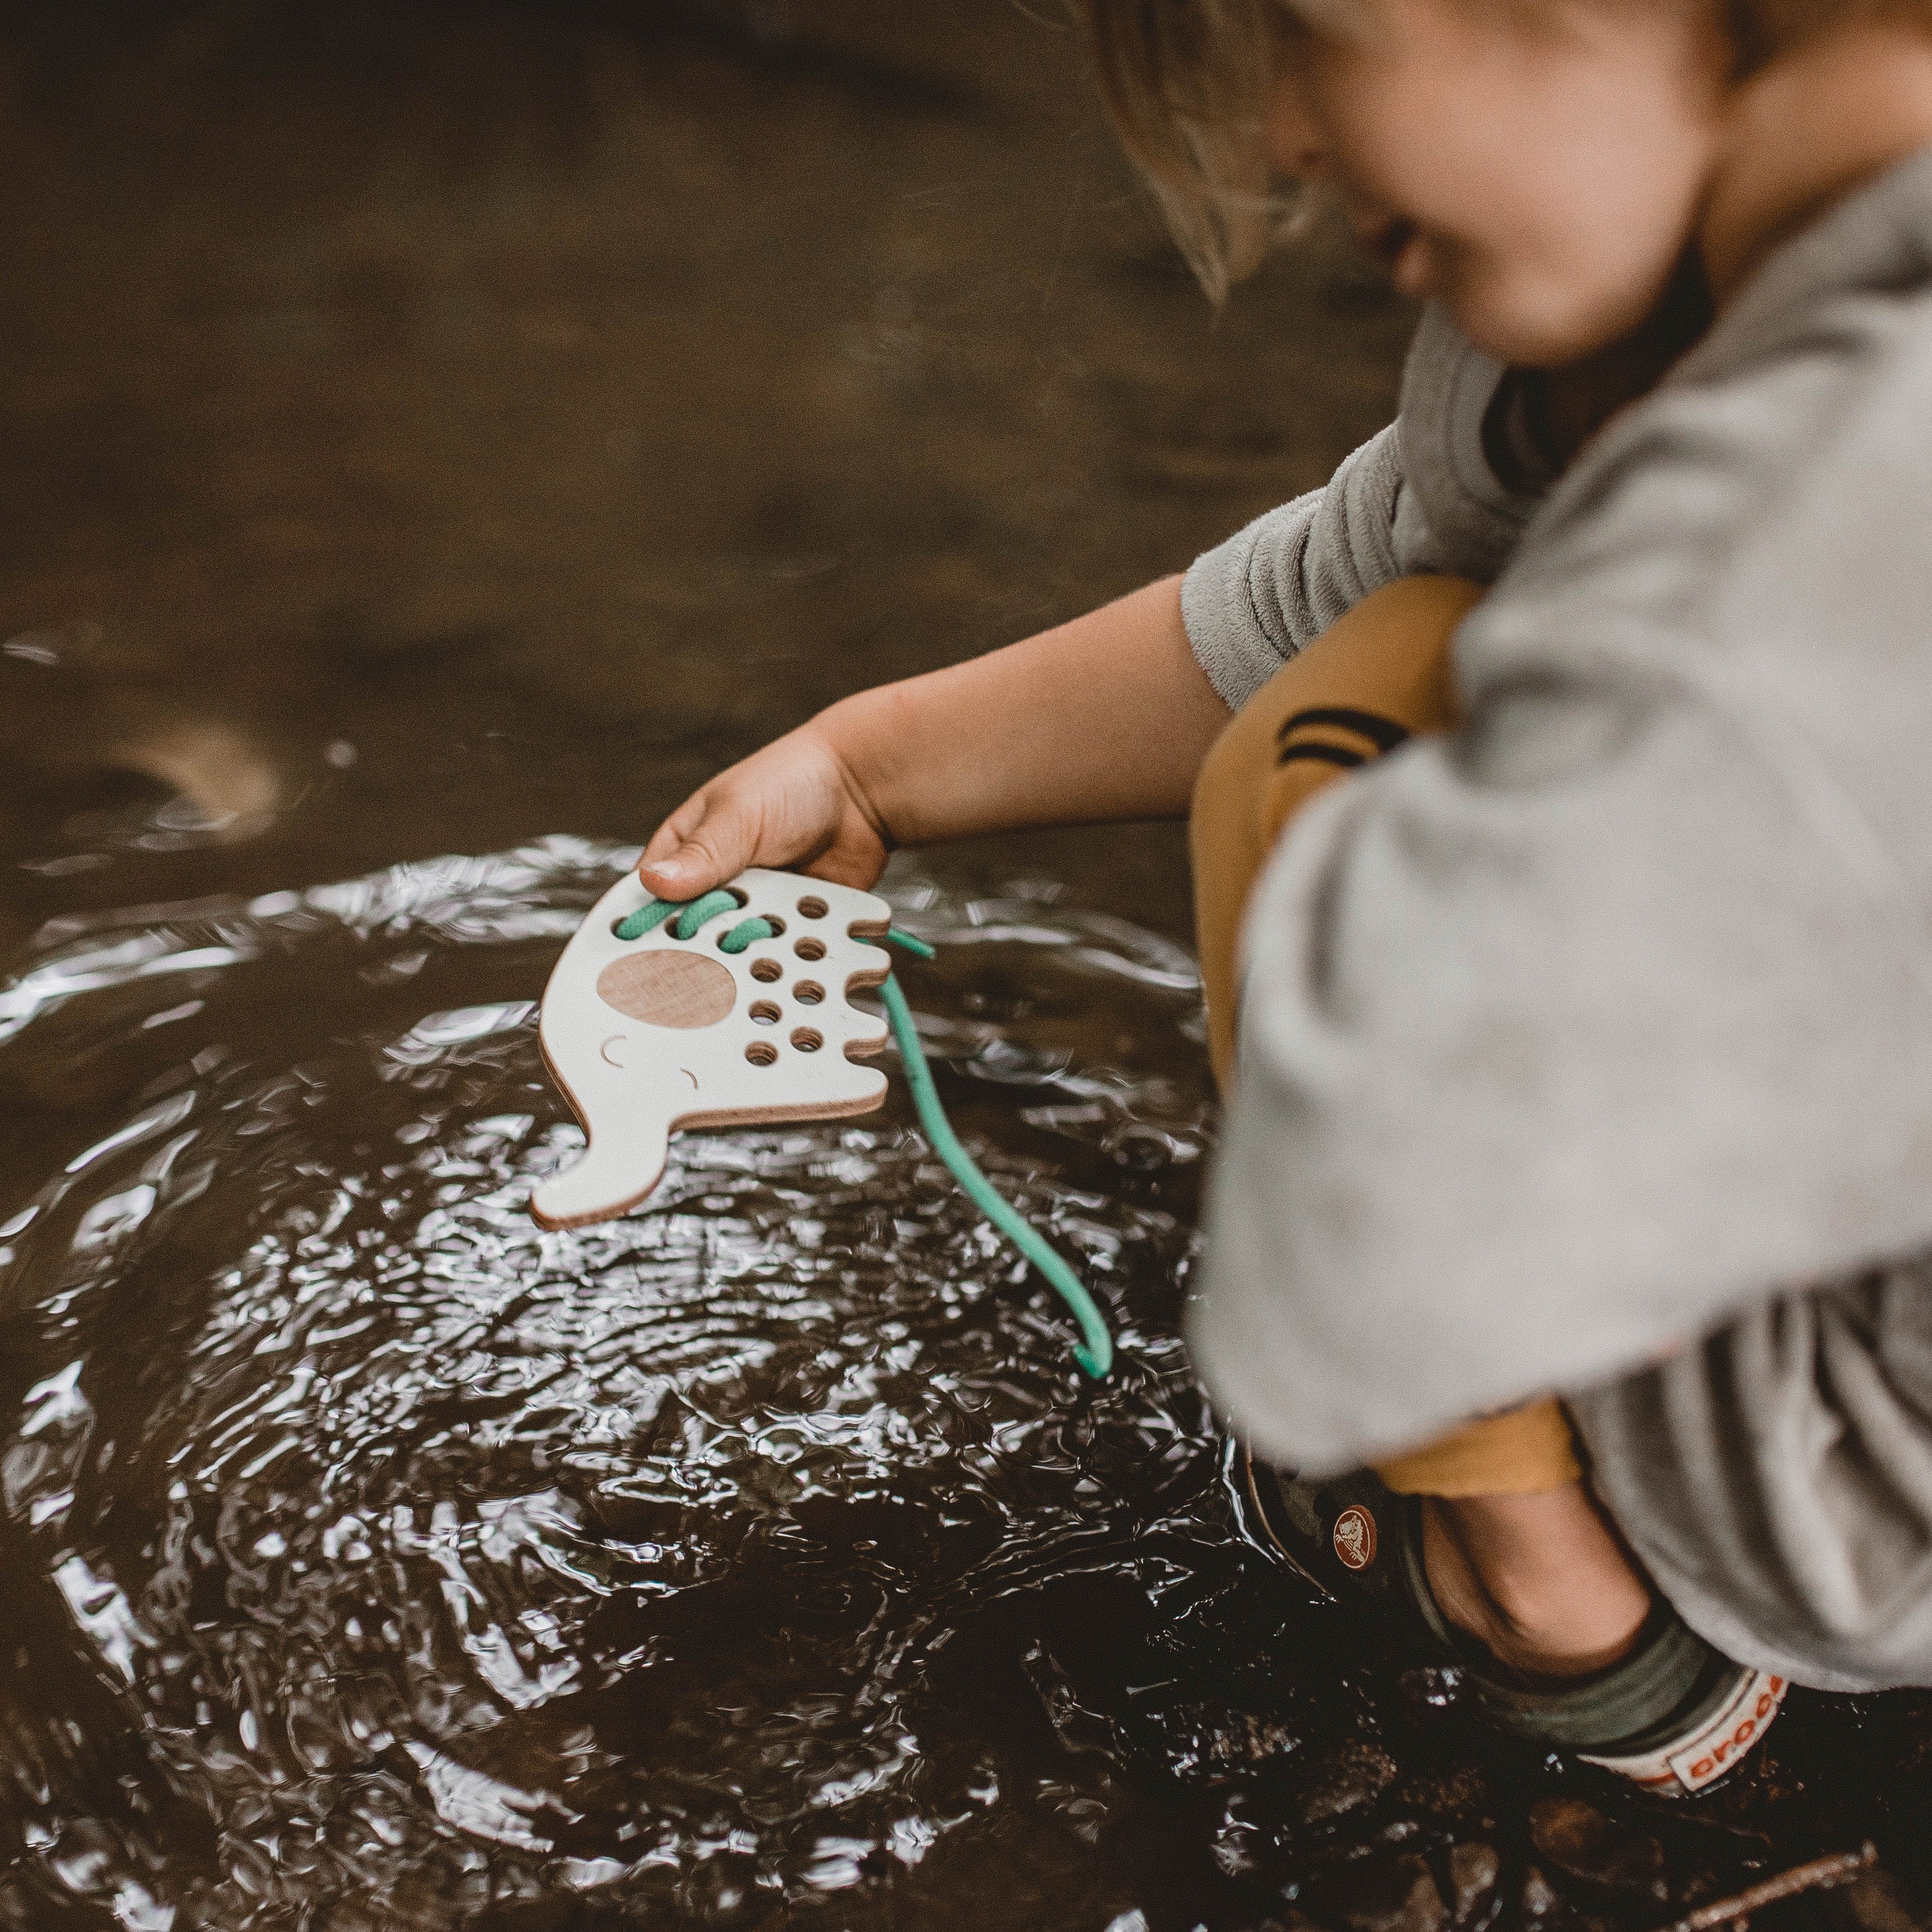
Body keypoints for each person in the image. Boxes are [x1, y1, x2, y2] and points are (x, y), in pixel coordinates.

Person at [637, 0, 1932, 1793]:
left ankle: (1568, 1618)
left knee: (1328, 768)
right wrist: (869, 762)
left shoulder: (1831, 502)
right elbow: (1356, 566)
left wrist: (1339, 1324)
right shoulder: (1702, 298)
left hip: (1863, 1485)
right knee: (1399, 655)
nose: (1287, 145)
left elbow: (1359, 1219)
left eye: (1311, 35)